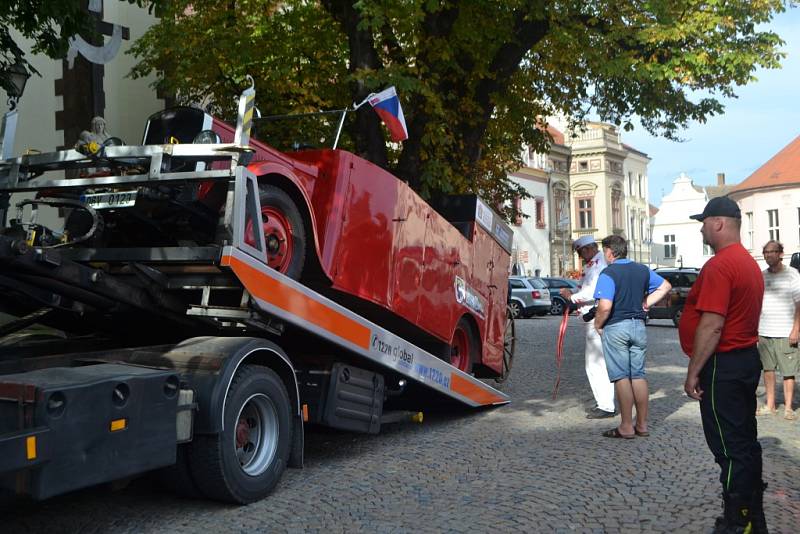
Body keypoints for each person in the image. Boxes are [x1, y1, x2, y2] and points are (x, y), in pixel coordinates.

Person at [679, 197, 767, 533]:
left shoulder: (720, 265)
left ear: (719, 223)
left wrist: (693, 372)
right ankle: (752, 516)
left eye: (704, 221)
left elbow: (712, 324)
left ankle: (738, 521)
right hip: (744, 360)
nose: (701, 227)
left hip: (724, 365)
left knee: (729, 448)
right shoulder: (746, 262)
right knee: (745, 442)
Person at [592, 235, 671, 439]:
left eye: (604, 251)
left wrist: (598, 324)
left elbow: (605, 306)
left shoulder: (608, 273)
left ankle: (626, 426)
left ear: (610, 251)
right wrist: (646, 303)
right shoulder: (642, 269)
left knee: (621, 377)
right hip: (638, 326)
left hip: (617, 326)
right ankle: (642, 425)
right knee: (638, 375)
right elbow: (665, 286)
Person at [560, 235, 615, 418]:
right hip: (593, 316)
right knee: (596, 363)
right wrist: (575, 292)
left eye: (580, 252)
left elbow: (592, 290)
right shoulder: (593, 264)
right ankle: (605, 402)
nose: (581, 256)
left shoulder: (598, 265)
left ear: (588, 249)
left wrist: (571, 297)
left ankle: (606, 405)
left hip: (596, 317)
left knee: (595, 363)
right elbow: (585, 286)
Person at [756, 239, 800, 420]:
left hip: (785, 331)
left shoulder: (793, 274)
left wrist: (796, 330)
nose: (768, 255)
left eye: (772, 252)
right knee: (768, 369)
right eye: (766, 252)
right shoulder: (762, 275)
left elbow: (799, 304)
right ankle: (770, 405)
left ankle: (789, 407)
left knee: (788, 371)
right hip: (765, 330)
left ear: (781, 254)